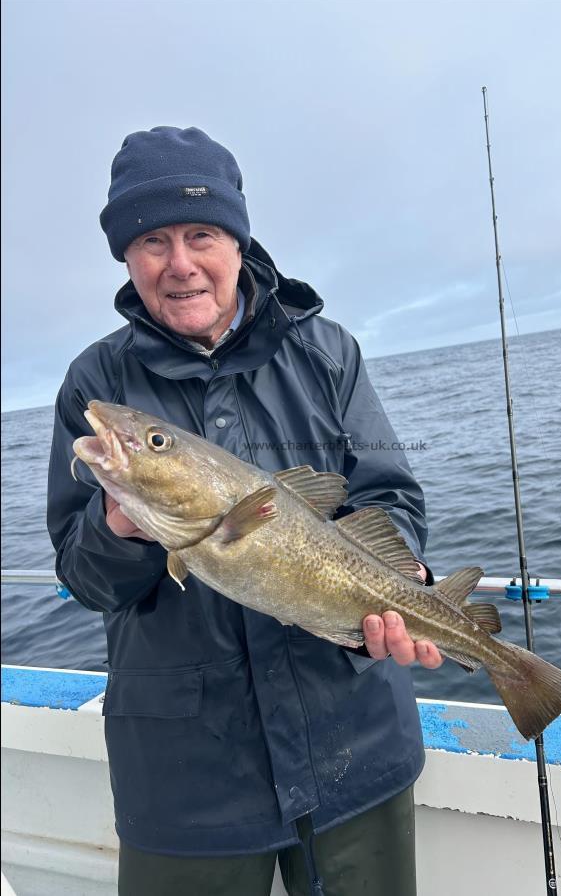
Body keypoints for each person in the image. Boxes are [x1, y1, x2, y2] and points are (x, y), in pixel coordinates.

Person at [47, 126, 443, 896]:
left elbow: (387, 496)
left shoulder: (327, 352)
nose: (181, 263)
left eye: (201, 234)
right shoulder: (93, 382)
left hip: (353, 747)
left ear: (237, 241)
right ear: (126, 258)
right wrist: (121, 524)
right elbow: (82, 575)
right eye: (152, 240)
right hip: (187, 784)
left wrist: (404, 580)